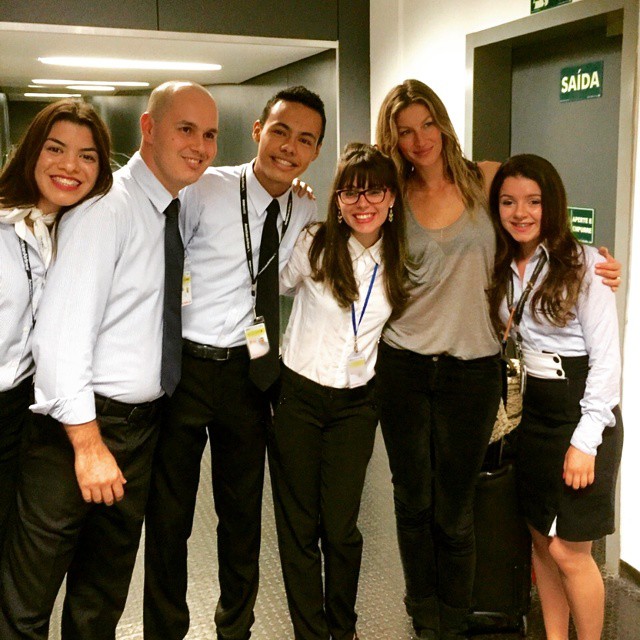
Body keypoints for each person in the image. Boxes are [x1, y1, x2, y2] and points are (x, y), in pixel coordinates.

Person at [374, 79, 621, 639]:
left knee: (458, 506)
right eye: (405, 131)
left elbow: (535, 205)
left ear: (443, 123)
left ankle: (456, 617)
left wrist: (595, 261)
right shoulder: (393, 192)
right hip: (407, 365)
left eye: (427, 124)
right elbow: (354, 219)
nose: (419, 139)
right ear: (393, 138)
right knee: (414, 501)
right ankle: (424, 615)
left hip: (474, 371)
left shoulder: (483, 179)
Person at [0, 81, 219, 640]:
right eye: (185, 129)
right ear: (148, 128)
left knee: (100, 599)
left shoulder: (169, 209)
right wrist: (88, 443)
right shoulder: (107, 209)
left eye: (210, 134)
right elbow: (61, 338)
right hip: (79, 429)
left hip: (137, 430)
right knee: (27, 605)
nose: (199, 146)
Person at [143, 85, 325, 640]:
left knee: (242, 516)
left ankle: (235, 628)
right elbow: (161, 263)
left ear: (316, 151)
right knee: (170, 516)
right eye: (281, 132)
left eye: (305, 140)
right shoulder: (206, 189)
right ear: (258, 131)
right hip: (186, 369)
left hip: (251, 374)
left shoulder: (304, 206)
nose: (289, 147)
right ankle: (166, 630)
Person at [269, 142, 409, 640]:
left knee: (341, 527)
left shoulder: (402, 258)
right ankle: (310, 633)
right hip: (299, 399)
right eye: (351, 192)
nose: (362, 203)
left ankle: (342, 629)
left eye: (374, 192)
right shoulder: (316, 242)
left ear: (391, 198)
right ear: (337, 199)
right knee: (299, 527)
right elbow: (273, 283)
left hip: (356, 406)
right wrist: (291, 209)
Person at [487, 154, 623, 640]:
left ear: (554, 204)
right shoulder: (502, 264)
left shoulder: (587, 264)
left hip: (581, 411)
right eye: (508, 202)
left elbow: (607, 363)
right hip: (535, 412)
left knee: (570, 551)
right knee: (541, 543)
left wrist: (585, 442)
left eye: (534, 201)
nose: (520, 212)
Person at [0, 99, 112, 555]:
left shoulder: (70, 229)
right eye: (55, 148)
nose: (70, 166)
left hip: (20, 414)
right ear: (31, 151)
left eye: (87, 156)